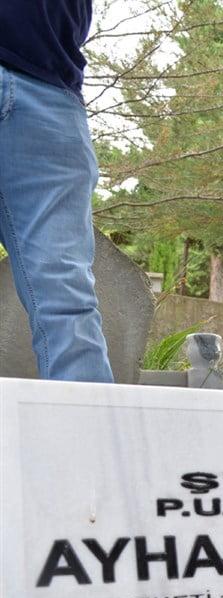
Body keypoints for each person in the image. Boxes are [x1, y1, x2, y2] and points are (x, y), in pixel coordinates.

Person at [0, 0, 114, 382]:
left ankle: (87, 441)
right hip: (50, 91)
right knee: (68, 304)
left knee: (68, 302)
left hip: (50, 88)